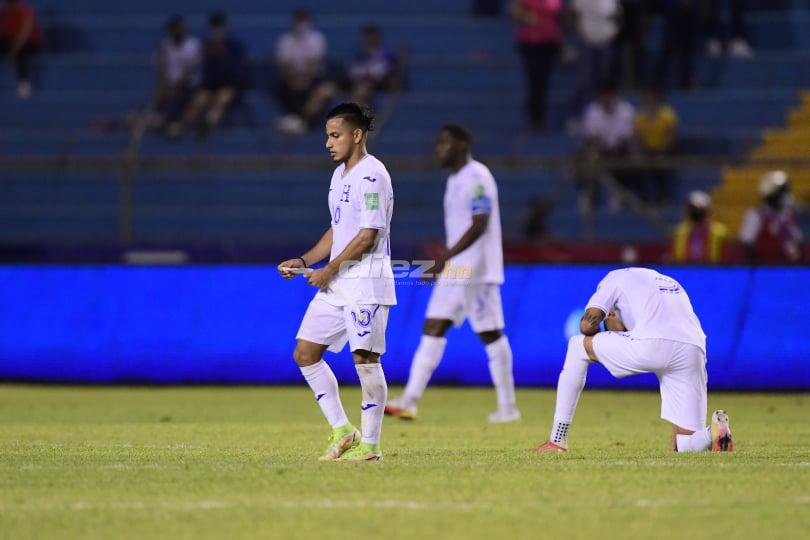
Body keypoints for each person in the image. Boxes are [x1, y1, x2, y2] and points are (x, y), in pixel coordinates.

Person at [277, 103, 395, 462]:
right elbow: (338, 229)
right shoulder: (340, 175)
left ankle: (371, 446)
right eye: (327, 136)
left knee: (365, 359)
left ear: (356, 135)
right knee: (305, 351)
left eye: (335, 135)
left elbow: (368, 235)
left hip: (365, 281)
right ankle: (343, 430)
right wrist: (306, 260)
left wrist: (329, 270)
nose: (328, 143)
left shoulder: (372, 175)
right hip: (339, 282)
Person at [385, 125, 520, 424]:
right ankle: (411, 400)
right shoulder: (455, 179)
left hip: (474, 268)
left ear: (463, 143)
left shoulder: (477, 177)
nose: (438, 148)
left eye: (444, 142)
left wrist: (444, 257)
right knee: (446, 326)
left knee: (481, 332)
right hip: (460, 268)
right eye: (437, 143)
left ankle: (507, 408)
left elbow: (480, 223)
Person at [531, 267, 734, 453]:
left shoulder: (613, 278)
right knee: (684, 443)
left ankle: (557, 440)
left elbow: (586, 325)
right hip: (693, 349)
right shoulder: (668, 281)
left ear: (610, 312)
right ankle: (713, 432)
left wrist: (600, 326)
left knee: (577, 345)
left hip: (652, 344)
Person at [181, 11, 248, 136]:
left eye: (220, 27)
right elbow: (201, 69)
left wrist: (223, 55)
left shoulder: (235, 45)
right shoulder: (205, 46)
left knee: (222, 99)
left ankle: (209, 123)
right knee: (199, 100)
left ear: (226, 27)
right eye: (214, 28)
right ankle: (184, 126)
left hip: (230, 85)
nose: (217, 31)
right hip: (210, 84)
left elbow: (239, 70)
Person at [274, 9, 336, 135]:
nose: (302, 24)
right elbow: (284, 64)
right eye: (299, 21)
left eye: (305, 21)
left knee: (324, 91)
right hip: (290, 80)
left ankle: (301, 122)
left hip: (313, 79)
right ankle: (296, 121)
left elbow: (314, 63)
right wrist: (293, 80)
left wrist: (305, 80)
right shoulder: (286, 40)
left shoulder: (317, 39)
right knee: (280, 87)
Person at [577, 84, 637, 212]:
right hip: (600, 150)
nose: (606, 99)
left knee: (623, 156)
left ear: (614, 96)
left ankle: (618, 193)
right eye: (603, 96)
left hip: (621, 150)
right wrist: (600, 147)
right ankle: (589, 194)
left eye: (608, 96)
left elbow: (626, 138)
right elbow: (590, 137)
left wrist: (612, 148)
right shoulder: (592, 110)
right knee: (585, 156)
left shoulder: (626, 110)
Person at [508, 0, 563, 131]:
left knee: (543, 82)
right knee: (534, 81)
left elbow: (559, 18)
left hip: (550, 42)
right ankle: (535, 119)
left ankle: (540, 118)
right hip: (531, 42)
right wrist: (526, 17)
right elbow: (513, 10)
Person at [567, 0, 621, 124]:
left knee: (605, 81)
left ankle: (604, 119)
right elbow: (570, 13)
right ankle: (582, 117)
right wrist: (578, 32)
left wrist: (614, 31)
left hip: (606, 42)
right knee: (585, 81)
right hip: (587, 42)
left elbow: (618, 16)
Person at [739, 170, 803, 264]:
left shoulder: (787, 216)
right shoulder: (755, 215)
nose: (786, 196)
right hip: (763, 270)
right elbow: (746, 245)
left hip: (786, 272)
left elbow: (797, 243)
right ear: (772, 194)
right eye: (782, 192)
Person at [153, 16, 201, 135]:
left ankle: (174, 124)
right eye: (175, 29)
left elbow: (192, 68)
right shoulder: (165, 46)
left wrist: (177, 84)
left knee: (179, 98)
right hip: (168, 87)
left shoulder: (193, 45)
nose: (178, 31)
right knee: (157, 104)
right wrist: (161, 87)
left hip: (188, 86)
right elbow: (161, 68)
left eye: (180, 28)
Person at [634, 86, 678, 203]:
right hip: (647, 151)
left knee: (661, 164)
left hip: (665, 150)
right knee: (639, 166)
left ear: (658, 98)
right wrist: (641, 153)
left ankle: (663, 197)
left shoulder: (667, 114)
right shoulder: (640, 116)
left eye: (652, 97)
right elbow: (638, 138)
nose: (650, 100)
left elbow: (671, 136)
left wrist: (663, 152)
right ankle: (644, 198)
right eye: (647, 97)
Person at [345, 25, 400, 104]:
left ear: (378, 38)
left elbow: (384, 71)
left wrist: (369, 74)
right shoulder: (359, 55)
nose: (369, 40)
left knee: (362, 90)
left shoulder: (386, 55)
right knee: (358, 89)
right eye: (367, 37)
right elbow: (352, 71)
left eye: (372, 37)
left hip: (380, 85)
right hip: (360, 83)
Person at [0, 0, 43, 99]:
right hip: (12, 42)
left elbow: (25, 31)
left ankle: (24, 83)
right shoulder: (4, 13)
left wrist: (15, 48)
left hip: (30, 42)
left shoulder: (24, 10)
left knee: (21, 53)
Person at [672, 191, 728, 263]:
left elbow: (726, 259)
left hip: (712, 272)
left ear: (707, 210)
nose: (696, 212)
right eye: (693, 208)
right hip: (685, 271)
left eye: (699, 209)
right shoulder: (680, 231)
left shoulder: (720, 232)